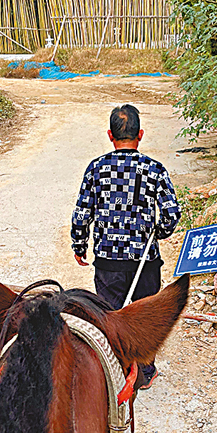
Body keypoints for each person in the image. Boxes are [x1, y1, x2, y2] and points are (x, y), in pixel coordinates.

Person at [71, 104, 181, 389]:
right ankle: (144, 374)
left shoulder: (96, 169)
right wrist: (158, 233)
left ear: (110, 135)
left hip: (108, 262)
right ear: (140, 134)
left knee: (110, 317)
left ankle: (115, 375)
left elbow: (83, 212)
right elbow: (171, 214)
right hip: (145, 261)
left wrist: (79, 244)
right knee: (144, 317)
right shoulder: (154, 170)